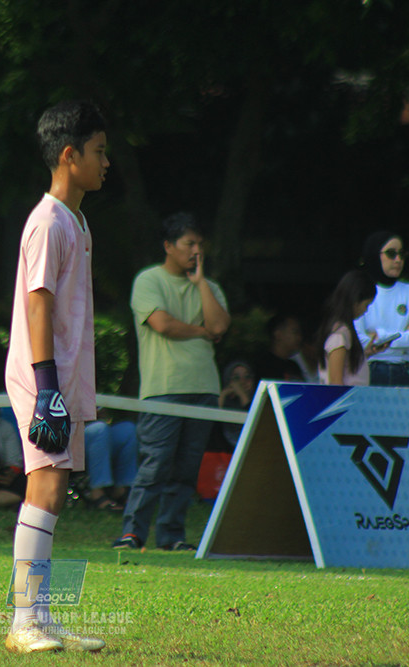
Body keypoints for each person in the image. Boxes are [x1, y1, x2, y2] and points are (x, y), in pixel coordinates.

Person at [2, 99, 108, 654]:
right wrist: (46, 390)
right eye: (98, 151)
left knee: (55, 491)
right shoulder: (48, 221)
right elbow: (37, 303)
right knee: (42, 488)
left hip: (60, 383)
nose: (106, 161)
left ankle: (41, 617)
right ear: (69, 156)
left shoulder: (76, 220)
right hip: (42, 382)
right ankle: (24, 623)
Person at [114, 211, 231, 553]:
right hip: (163, 388)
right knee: (156, 463)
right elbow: (163, 324)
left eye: (199, 244)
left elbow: (220, 327)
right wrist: (200, 331)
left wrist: (200, 284)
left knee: (186, 471)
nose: (196, 250)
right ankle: (132, 533)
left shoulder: (209, 287)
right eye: (188, 243)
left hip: (204, 390)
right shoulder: (149, 280)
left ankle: (171, 536)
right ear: (168, 246)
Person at [354, 230, 409, 386]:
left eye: (402, 254)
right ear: (375, 254)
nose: (398, 260)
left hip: (404, 371)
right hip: (370, 370)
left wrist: (379, 336)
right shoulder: (361, 290)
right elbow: (358, 339)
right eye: (391, 253)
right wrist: (405, 336)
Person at [316, 270, 386, 386]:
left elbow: (348, 367)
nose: (366, 311)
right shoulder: (339, 335)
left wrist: (366, 353)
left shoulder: (342, 331)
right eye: (366, 305)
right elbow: (336, 383)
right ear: (355, 301)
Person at [82, 415, 137, 511]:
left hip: (100, 431)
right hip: (69, 436)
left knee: (128, 429)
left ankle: (121, 490)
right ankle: (97, 492)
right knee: (99, 429)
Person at [217, 360, 257, 448]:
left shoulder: (259, 402)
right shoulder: (223, 402)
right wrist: (223, 395)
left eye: (247, 376)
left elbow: (255, 424)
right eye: (236, 378)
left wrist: (243, 396)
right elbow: (213, 427)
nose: (242, 382)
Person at [254, 314, 305, 382]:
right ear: (278, 334)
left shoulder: (294, 367)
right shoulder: (262, 366)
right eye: (295, 332)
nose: (299, 338)